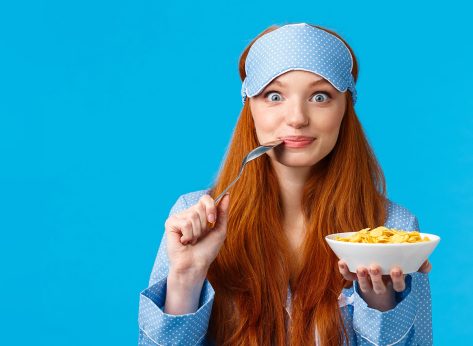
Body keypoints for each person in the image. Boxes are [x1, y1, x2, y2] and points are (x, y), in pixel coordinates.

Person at [138, 22, 433, 345]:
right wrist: (186, 277)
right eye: (274, 95)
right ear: (249, 107)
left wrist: (380, 306)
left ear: (345, 109)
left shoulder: (395, 230)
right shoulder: (194, 220)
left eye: (320, 96)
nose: (296, 118)